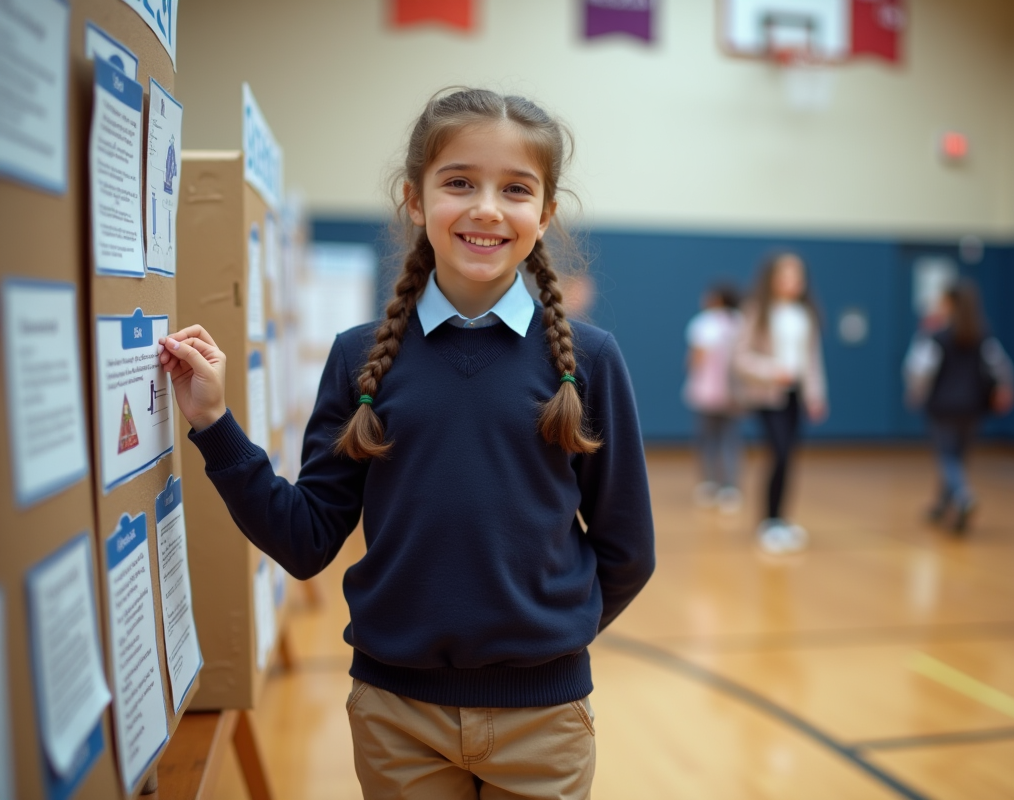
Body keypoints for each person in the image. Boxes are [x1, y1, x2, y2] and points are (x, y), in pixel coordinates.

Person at [157, 89, 655, 799]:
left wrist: (546, 639)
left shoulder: (591, 361)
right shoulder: (360, 360)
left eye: (515, 189)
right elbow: (306, 540)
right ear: (414, 200)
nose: (486, 207)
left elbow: (628, 549)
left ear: (543, 215)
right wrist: (214, 425)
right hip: (396, 720)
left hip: (544, 719)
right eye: (459, 182)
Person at [903, 278, 1014, 533]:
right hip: (972, 407)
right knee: (957, 457)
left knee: (947, 457)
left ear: (949, 304)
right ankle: (942, 505)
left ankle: (963, 496)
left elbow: (920, 370)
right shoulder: (983, 337)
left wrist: (915, 392)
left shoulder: (936, 336)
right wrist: (1005, 389)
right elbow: (1001, 367)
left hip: (943, 407)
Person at [734, 253, 828, 553]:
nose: (793, 282)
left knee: (790, 457)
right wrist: (772, 371)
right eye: (786, 275)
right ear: (771, 278)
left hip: (796, 396)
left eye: (797, 276)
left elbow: (812, 359)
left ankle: (782, 520)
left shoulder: (806, 314)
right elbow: (739, 359)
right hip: (767, 396)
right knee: (779, 452)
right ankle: (769, 522)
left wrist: (816, 394)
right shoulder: (757, 310)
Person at [683, 283, 744, 513]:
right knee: (730, 439)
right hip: (733, 393)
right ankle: (729, 489)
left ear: (716, 298)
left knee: (707, 439)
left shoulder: (704, 323)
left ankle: (709, 485)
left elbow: (696, 357)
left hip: (706, 392)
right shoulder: (740, 322)